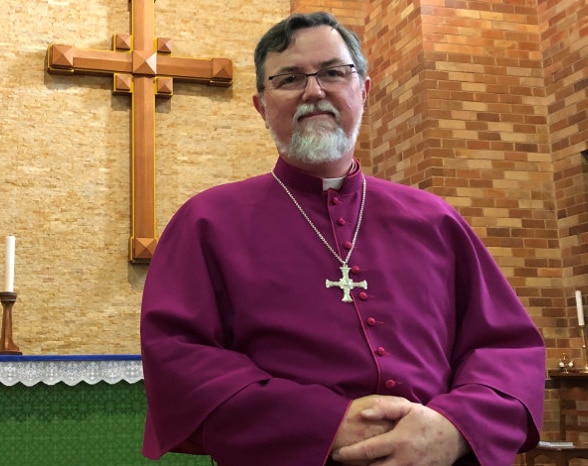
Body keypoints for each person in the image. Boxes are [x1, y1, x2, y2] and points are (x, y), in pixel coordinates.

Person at [140, 11, 545, 466]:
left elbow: (505, 348)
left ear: (364, 90)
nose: (314, 92)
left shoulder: (436, 219)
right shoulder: (207, 221)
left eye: (334, 72)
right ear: (261, 105)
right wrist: (324, 423)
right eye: (290, 78)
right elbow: (180, 359)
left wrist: (456, 427)